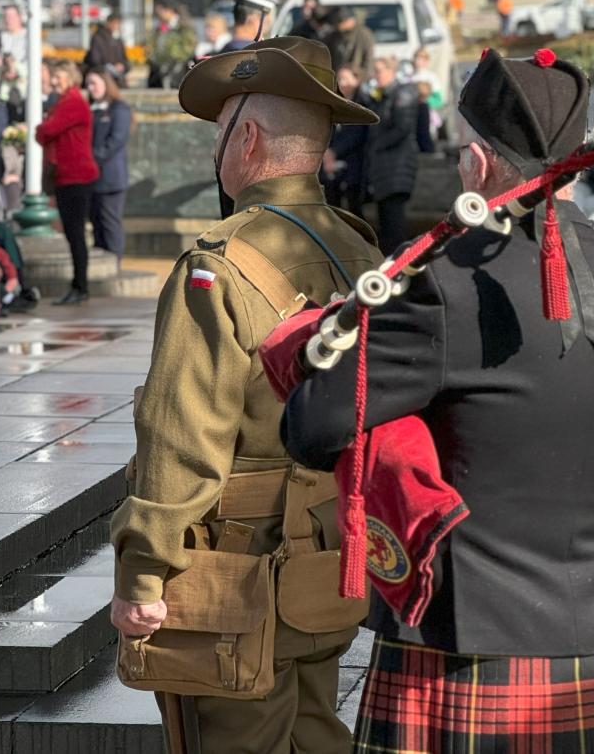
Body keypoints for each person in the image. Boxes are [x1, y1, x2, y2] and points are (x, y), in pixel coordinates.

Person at [283, 46, 594, 754]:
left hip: (458, 644)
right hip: (589, 635)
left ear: (481, 163)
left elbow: (313, 426)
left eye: (465, 150)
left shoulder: (442, 288)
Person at [110, 36, 382, 754]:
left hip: (233, 576)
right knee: (315, 731)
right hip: (330, 556)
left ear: (248, 139)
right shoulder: (363, 253)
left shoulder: (218, 265)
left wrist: (142, 569)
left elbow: (183, 436)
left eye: (222, 129)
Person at [36, 60, 99, 304]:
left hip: (76, 176)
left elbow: (46, 131)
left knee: (75, 235)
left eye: (58, 76)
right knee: (73, 235)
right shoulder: (64, 101)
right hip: (67, 176)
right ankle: (77, 285)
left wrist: (42, 128)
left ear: (70, 78)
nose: (53, 81)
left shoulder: (72, 102)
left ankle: (80, 286)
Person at [366, 55, 420, 253]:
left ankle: (400, 265)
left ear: (392, 71)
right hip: (384, 169)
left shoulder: (403, 93)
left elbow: (402, 127)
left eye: (379, 71)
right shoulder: (383, 96)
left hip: (397, 167)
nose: (376, 75)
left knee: (394, 224)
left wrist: (376, 145)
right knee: (386, 222)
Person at [87, 69, 132, 264]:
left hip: (110, 177)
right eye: (88, 84)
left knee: (110, 222)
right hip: (92, 178)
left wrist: (91, 158)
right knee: (96, 223)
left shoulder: (119, 109)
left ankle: (114, 262)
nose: (91, 88)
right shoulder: (91, 108)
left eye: (94, 83)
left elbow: (116, 140)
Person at [321, 64, 370, 218]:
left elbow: (358, 134)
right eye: (339, 79)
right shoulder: (334, 103)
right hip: (332, 166)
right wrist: (327, 151)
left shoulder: (363, 103)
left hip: (355, 163)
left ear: (356, 80)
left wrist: (334, 152)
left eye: (346, 79)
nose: (341, 83)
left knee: (354, 207)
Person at [146, 1, 197, 87]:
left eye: (160, 11)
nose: (158, 15)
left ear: (169, 10)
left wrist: (176, 58)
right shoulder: (159, 28)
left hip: (179, 70)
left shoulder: (184, 26)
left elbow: (190, 47)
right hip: (160, 69)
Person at [84, 12, 130, 85]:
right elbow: (95, 60)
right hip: (103, 77)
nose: (116, 26)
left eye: (118, 24)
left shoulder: (118, 40)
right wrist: (110, 67)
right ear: (108, 23)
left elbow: (125, 60)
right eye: (114, 23)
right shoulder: (97, 38)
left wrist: (123, 66)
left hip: (118, 79)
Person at [0, 53, 26, 124]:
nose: (9, 63)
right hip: (5, 98)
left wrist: (15, 76)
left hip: (18, 97)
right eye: (6, 61)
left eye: (10, 61)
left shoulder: (19, 67)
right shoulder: (2, 70)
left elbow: (23, 77)